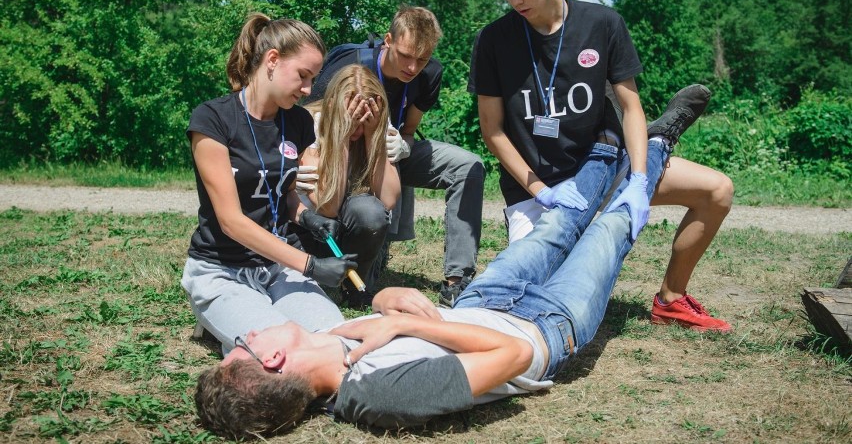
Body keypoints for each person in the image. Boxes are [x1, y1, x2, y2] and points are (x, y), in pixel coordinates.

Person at [192, 86, 707, 438]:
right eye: (246, 349)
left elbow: (390, 315)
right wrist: (396, 326)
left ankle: (609, 147)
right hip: (547, 325)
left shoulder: (326, 342)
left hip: (482, 299)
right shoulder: (376, 394)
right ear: (274, 364)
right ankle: (655, 143)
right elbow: (510, 355)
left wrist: (382, 300)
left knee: (558, 222)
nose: (250, 336)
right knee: (608, 230)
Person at [469, 0, 733, 332]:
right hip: (540, 191)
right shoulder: (493, 39)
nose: (515, 0)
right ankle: (662, 138)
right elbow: (493, 131)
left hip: (608, 167)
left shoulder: (602, 22)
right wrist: (541, 191)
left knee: (717, 191)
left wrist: (639, 181)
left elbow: (629, 105)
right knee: (534, 293)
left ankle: (671, 299)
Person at [181, 13, 363, 354]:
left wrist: (306, 217)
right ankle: (221, 318)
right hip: (222, 271)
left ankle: (235, 326)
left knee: (339, 340)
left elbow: (283, 194)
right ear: (272, 60)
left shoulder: (296, 121)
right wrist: (311, 265)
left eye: (313, 79)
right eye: (303, 76)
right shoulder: (213, 120)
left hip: (276, 267)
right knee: (282, 351)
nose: (309, 89)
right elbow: (232, 222)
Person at [306, 6, 484, 306]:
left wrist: (400, 145)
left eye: (422, 59)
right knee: (369, 219)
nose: (413, 67)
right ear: (388, 40)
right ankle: (369, 248)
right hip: (335, 153)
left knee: (469, 165)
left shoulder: (429, 74)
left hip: (387, 145)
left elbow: (410, 129)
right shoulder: (347, 66)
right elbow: (310, 122)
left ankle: (458, 279)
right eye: (405, 55)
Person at [296, 65, 402, 307]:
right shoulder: (310, 124)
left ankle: (355, 287)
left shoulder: (376, 126)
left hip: (357, 235)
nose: (358, 128)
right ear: (332, 106)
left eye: (364, 121)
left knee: (370, 212)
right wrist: (341, 138)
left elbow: (388, 200)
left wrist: (374, 136)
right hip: (316, 232)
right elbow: (328, 206)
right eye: (352, 119)